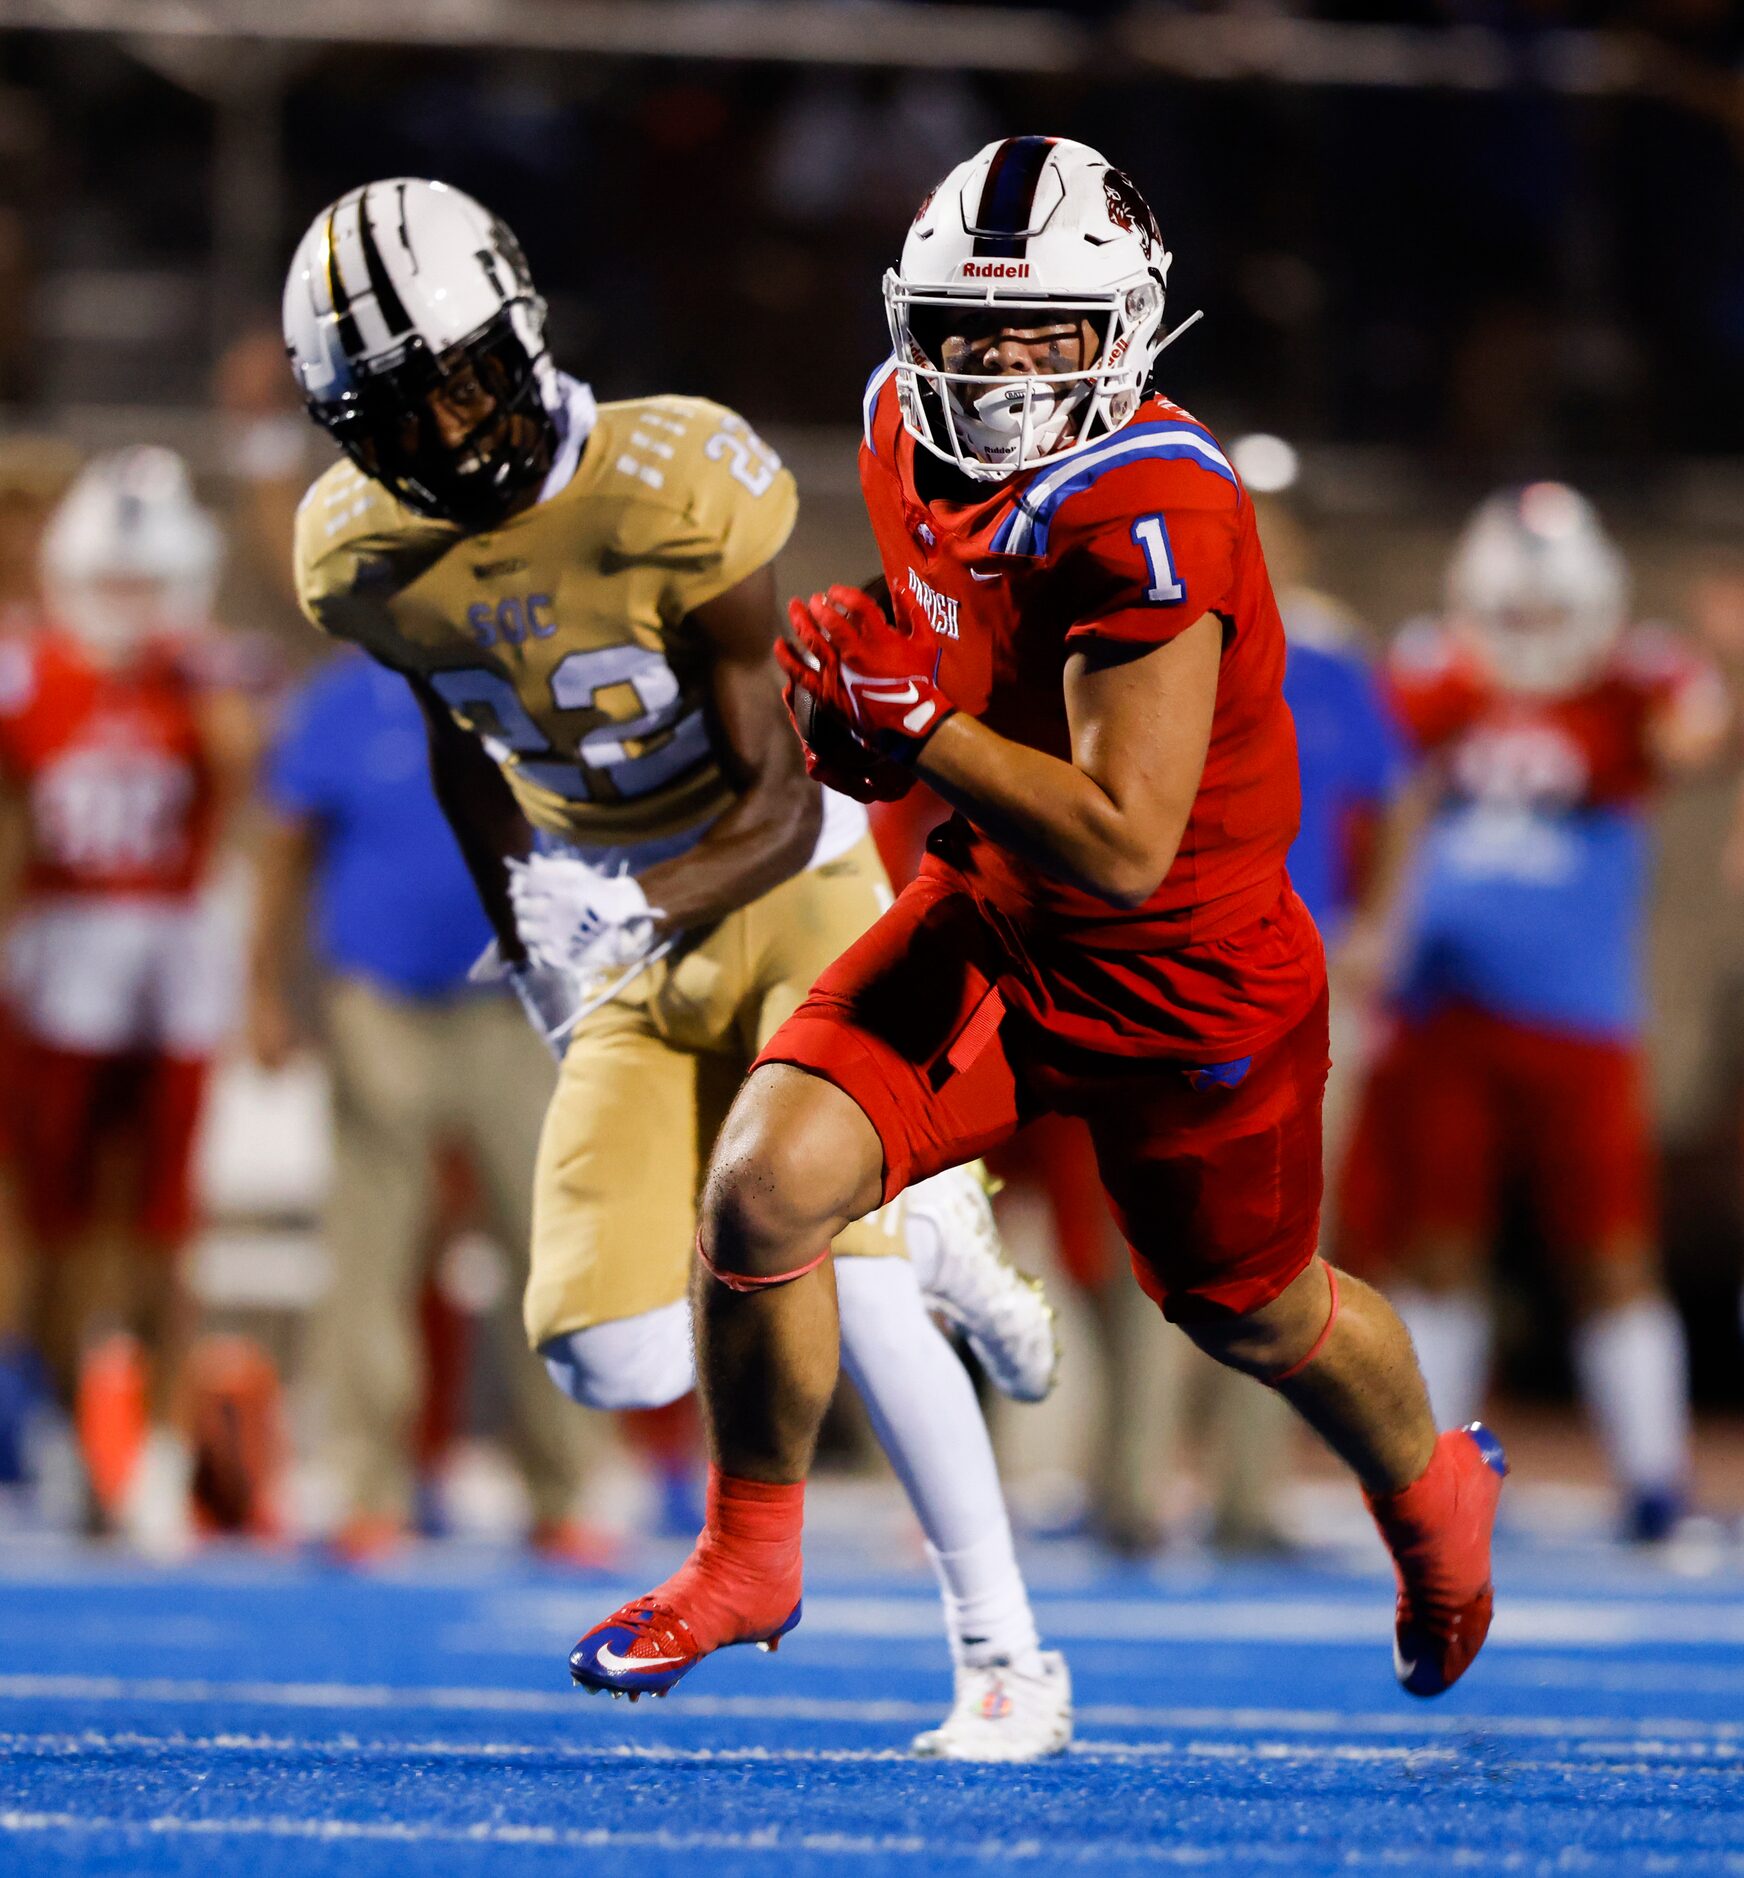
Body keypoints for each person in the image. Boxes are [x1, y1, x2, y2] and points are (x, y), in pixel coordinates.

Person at [571, 135, 1508, 1705]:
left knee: (1254, 1310)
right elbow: (951, 668)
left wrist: (915, 727)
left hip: (1185, 979)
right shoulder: (894, 424)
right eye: (965, 325)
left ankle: (1434, 1497)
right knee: (761, 1192)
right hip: (1000, 918)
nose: (995, 363)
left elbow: (1127, 842)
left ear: (1124, 330)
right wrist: (873, 731)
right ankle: (747, 1554)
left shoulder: (1153, 507)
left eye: (1043, 332)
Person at [282, 179, 1068, 1759]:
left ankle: (1004, 1660)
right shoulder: (358, 554)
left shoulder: (670, 476)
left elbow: (782, 800)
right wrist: (530, 943)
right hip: (620, 923)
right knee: (609, 1352)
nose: (443, 430)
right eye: (396, 407)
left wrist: (628, 910)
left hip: (785, 889)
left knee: (830, 1259)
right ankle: (913, 1214)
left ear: (520, 327)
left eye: (460, 375)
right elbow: (460, 753)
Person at [1340, 484, 1727, 1543]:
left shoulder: (1636, 678)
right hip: (1443, 1015)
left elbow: (1698, 736)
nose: (1535, 634)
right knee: (1438, 1248)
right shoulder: (1434, 669)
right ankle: (1435, 1475)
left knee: (1608, 1250)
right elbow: (1381, 783)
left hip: (1578, 1018)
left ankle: (1652, 1479)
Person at [248, 645, 602, 1563]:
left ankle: (564, 1486)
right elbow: (285, 848)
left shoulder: (534, 688)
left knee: (548, 1245)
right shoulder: (340, 700)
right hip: (380, 999)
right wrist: (264, 992)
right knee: (372, 1248)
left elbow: (603, 835)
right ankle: (366, 1485)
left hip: (517, 1003)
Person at [0, 447, 256, 1553]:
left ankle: (149, 1457)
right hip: (59, 946)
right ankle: (52, 1439)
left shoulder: (212, 677)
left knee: (161, 1230)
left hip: (174, 949)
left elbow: (243, 792)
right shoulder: (22, 671)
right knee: (47, 1224)